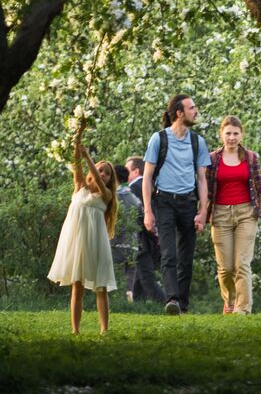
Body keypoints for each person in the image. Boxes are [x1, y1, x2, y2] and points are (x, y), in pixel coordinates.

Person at [141, 94, 211, 315]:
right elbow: (146, 177)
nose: (195, 111)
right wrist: (148, 212)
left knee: (186, 257)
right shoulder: (158, 139)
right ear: (179, 113)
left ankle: (183, 303)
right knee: (169, 254)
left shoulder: (197, 142)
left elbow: (202, 179)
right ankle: (171, 300)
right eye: (191, 108)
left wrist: (203, 212)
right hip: (164, 203)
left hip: (188, 203)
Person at [47, 126, 119, 335]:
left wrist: (89, 157)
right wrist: (79, 133)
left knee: (101, 286)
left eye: (107, 173)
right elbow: (77, 162)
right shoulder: (79, 186)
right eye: (101, 170)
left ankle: (104, 329)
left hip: (95, 241)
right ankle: (75, 330)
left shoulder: (106, 195)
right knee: (76, 285)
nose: (103, 174)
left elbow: (95, 177)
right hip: (77, 241)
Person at [206, 116, 261, 315]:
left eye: (235, 134)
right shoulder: (212, 159)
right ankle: (229, 300)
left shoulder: (250, 158)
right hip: (220, 214)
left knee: (242, 264)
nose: (232, 137)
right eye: (228, 133)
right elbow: (205, 191)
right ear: (221, 134)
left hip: (246, 213)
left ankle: (242, 309)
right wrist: (200, 214)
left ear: (241, 135)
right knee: (226, 268)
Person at [124, 158, 166, 304]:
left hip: (143, 240)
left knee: (147, 279)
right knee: (139, 280)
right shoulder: (151, 186)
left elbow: (138, 214)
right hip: (153, 239)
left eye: (127, 169)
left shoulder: (135, 187)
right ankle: (138, 307)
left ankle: (167, 305)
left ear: (136, 171)